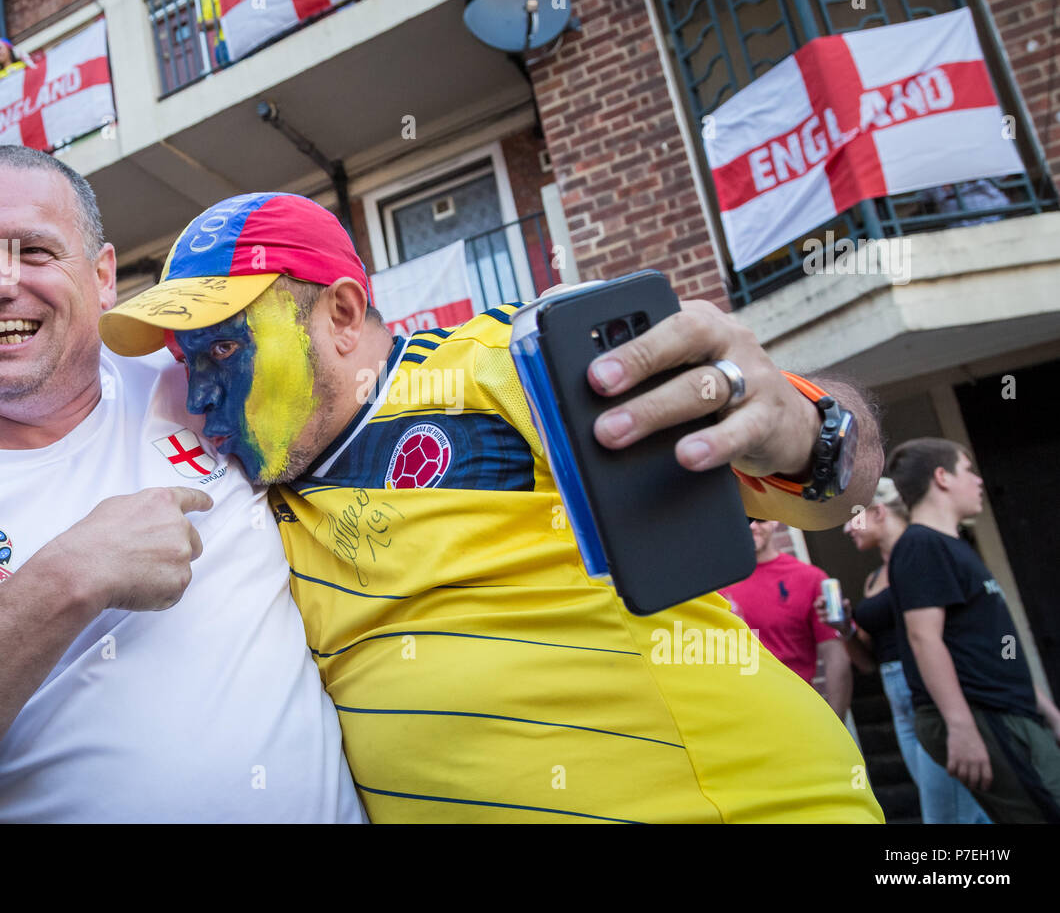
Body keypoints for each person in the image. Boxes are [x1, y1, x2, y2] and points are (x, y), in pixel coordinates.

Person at [100, 192, 887, 823]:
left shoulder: (505, 368)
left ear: (341, 315)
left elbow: (834, 491)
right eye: (188, 359)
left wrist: (804, 430)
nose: (199, 393)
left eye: (227, 349)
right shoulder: (249, 489)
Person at [0, 149, 362, 823]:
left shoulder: (201, 381)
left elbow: (353, 378)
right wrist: (65, 578)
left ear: (103, 277)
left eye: (33, 251)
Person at [886, 436, 1060, 823]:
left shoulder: (957, 546)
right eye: (969, 470)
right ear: (942, 477)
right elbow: (923, 637)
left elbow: (993, 643)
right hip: (982, 714)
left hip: (1013, 712)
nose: (979, 481)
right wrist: (960, 725)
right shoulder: (921, 545)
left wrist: (1046, 710)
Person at [816, 477, 991, 823]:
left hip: (932, 694)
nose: (848, 528)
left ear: (879, 511)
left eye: (855, 517)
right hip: (897, 696)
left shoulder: (924, 559)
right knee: (961, 809)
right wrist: (844, 629)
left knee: (945, 814)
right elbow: (866, 662)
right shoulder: (872, 580)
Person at [720, 518, 852, 719]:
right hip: (739, 715)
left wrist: (837, 723)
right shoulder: (714, 584)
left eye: (760, 519)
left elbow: (836, 656)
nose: (752, 526)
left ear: (774, 520)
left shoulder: (810, 578)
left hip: (796, 711)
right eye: (744, 519)